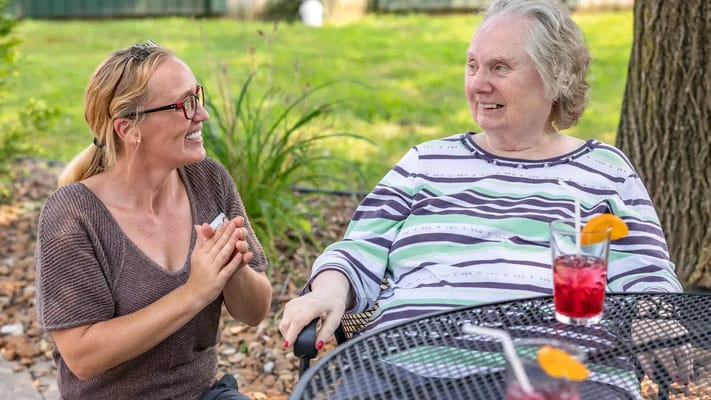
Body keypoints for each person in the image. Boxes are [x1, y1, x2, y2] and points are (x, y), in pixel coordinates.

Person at [279, 0, 691, 390]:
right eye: (472, 65)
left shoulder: (605, 170)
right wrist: (328, 292)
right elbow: (357, 249)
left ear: (555, 78)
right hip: (407, 366)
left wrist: (658, 319)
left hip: (561, 371)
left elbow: (647, 274)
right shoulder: (426, 162)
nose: (478, 84)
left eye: (499, 67)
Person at [35, 40, 272, 399]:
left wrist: (232, 266)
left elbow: (255, 311)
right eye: (184, 104)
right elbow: (82, 355)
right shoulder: (73, 214)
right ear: (128, 130)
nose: (202, 114)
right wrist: (194, 292)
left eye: (198, 97)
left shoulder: (207, 180)